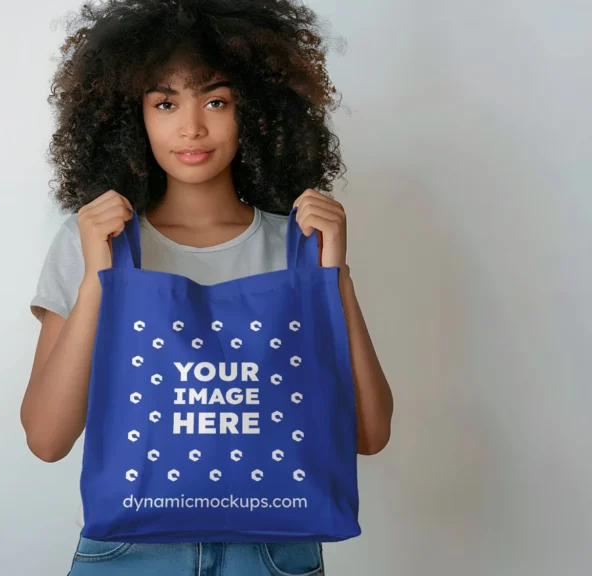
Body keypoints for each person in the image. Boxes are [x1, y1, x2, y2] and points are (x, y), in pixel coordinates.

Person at [21, 1, 394, 574]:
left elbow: (369, 434)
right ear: (131, 116)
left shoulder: (298, 245)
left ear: (259, 112)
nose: (191, 126)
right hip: (130, 554)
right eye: (165, 102)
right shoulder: (94, 240)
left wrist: (331, 276)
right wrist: (102, 279)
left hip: (273, 552)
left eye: (216, 101)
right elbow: (46, 440)